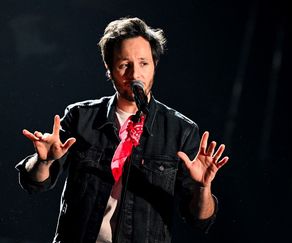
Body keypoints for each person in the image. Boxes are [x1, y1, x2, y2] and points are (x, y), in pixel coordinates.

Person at [15, 16, 229, 243]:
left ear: (155, 65)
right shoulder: (81, 117)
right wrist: (44, 161)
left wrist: (203, 187)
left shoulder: (180, 130)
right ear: (109, 68)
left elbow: (199, 219)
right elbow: (35, 183)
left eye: (143, 63)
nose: (135, 74)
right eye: (124, 65)